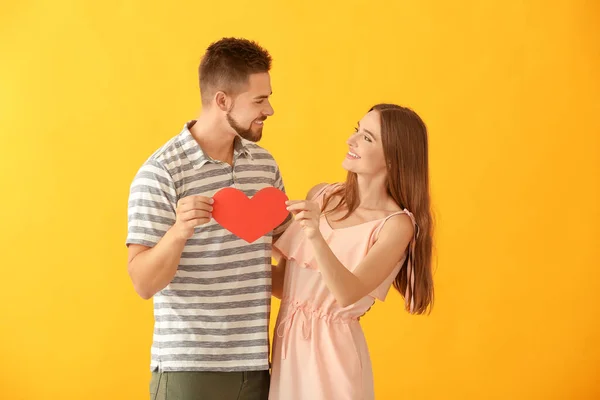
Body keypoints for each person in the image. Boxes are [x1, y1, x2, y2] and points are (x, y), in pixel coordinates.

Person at [125, 37, 291, 400]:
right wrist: (179, 232)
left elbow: (282, 261)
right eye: (260, 100)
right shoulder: (162, 173)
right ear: (222, 101)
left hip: (256, 366)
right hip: (190, 370)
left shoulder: (264, 166)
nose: (270, 110)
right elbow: (142, 282)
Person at [269, 104, 434, 400]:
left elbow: (348, 293)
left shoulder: (395, 225)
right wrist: (238, 246)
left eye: (367, 138)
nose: (351, 140)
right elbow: (285, 285)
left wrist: (315, 235)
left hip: (333, 356)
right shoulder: (321, 195)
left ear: (395, 158)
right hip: (287, 348)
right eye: (357, 129)